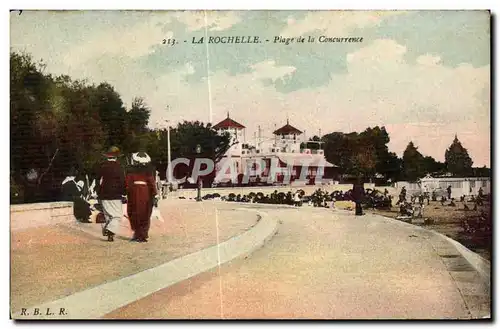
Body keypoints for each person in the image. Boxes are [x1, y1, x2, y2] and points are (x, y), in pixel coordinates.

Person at [126, 152, 157, 243]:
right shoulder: (149, 170)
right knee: (145, 214)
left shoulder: (130, 170)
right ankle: (142, 234)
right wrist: (155, 194)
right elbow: (152, 183)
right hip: (145, 193)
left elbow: (128, 183)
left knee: (134, 213)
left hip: (134, 193)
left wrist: (127, 191)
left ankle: (138, 233)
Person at [97, 146, 126, 242]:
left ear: (107, 157)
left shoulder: (102, 166)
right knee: (117, 215)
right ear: (116, 157)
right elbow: (122, 181)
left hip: (103, 194)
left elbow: (98, 180)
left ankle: (109, 232)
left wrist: (98, 192)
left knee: (108, 215)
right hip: (115, 194)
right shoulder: (119, 167)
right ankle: (109, 231)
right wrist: (124, 193)